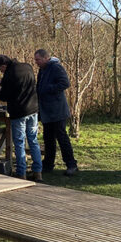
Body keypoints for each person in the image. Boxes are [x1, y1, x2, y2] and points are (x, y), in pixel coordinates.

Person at [0, 54, 42, 182]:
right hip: (33, 109)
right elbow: (21, 82)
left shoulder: (9, 74)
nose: (1, 72)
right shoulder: (27, 67)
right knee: (33, 140)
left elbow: (5, 96)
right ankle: (38, 172)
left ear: (3, 65)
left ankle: (21, 172)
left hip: (19, 112)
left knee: (19, 142)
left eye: (0, 69)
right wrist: (2, 81)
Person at [34, 48, 78, 176]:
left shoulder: (56, 68)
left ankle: (71, 164)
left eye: (38, 60)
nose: (36, 62)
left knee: (62, 138)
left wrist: (47, 89)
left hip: (57, 110)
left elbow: (65, 83)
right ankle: (48, 164)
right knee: (48, 139)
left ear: (46, 58)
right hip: (46, 110)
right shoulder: (42, 70)